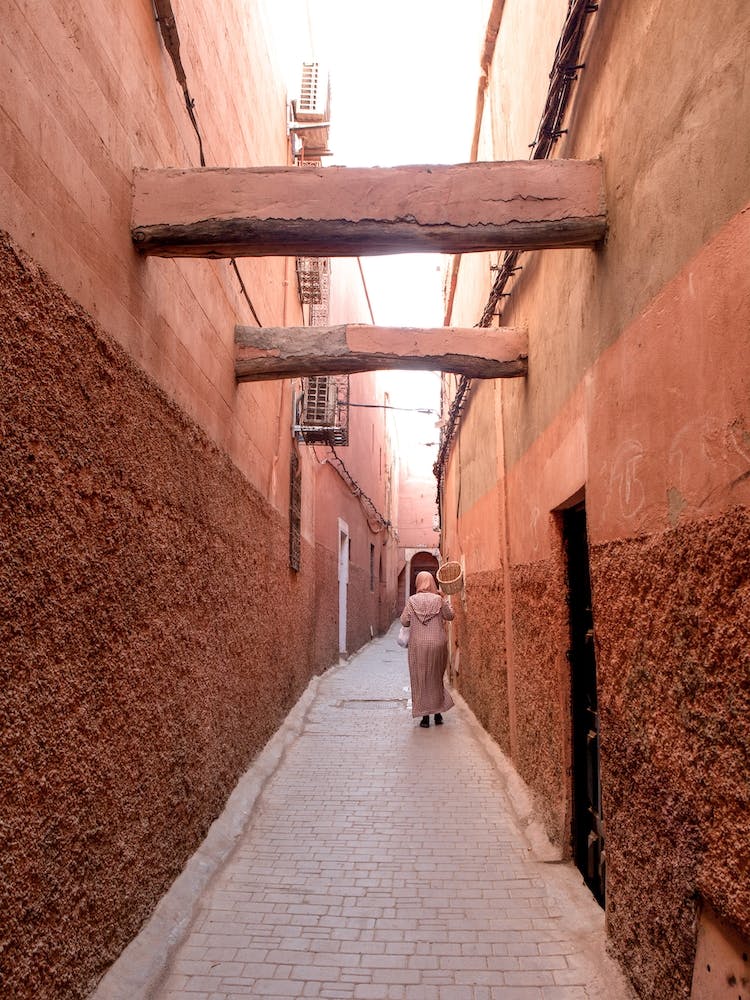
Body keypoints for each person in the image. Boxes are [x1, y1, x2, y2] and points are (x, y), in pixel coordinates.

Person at [400, 571, 455, 728]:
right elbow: (450, 616)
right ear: (432, 582)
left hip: (418, 646)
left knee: (421, 679)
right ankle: (437, 715)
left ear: (418, 583)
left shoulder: (412, 601)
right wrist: (445, 600)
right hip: (438, 644)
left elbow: (404, 621)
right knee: (436, 677)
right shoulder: (438, 599)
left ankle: (424, 718)